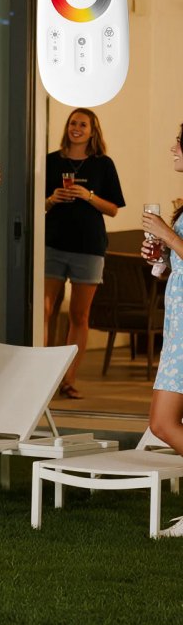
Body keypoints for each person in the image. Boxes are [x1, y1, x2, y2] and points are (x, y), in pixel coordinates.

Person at [43, 108, 124, 398]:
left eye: (83, 124)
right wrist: (52, 199)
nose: (76, 128)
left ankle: (68, 380)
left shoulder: (103, 164)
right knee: (45, 310)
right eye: (73, 123)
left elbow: (113, 209)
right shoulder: (51, 161)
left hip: (89, 248)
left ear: (92, 131)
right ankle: (42, 377)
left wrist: (88, 196)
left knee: (79, 315)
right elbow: (36, 205)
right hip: (52, 244)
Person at [142, 124, 183, 536]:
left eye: (179, 142)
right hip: (178, 329)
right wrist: (159, 257)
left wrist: (165, 233)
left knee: (162, 423)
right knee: (163, 421)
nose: (173, 147)